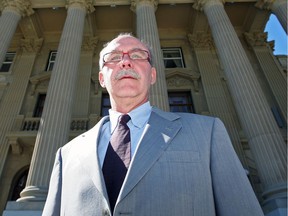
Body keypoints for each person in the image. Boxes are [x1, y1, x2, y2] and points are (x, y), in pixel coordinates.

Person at [43, 33, 264, 216]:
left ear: (153, 75)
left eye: (138, 55)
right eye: (114, 57)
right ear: (102, 78)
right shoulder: (67, 154)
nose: (126, 61)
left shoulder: (208, 133)